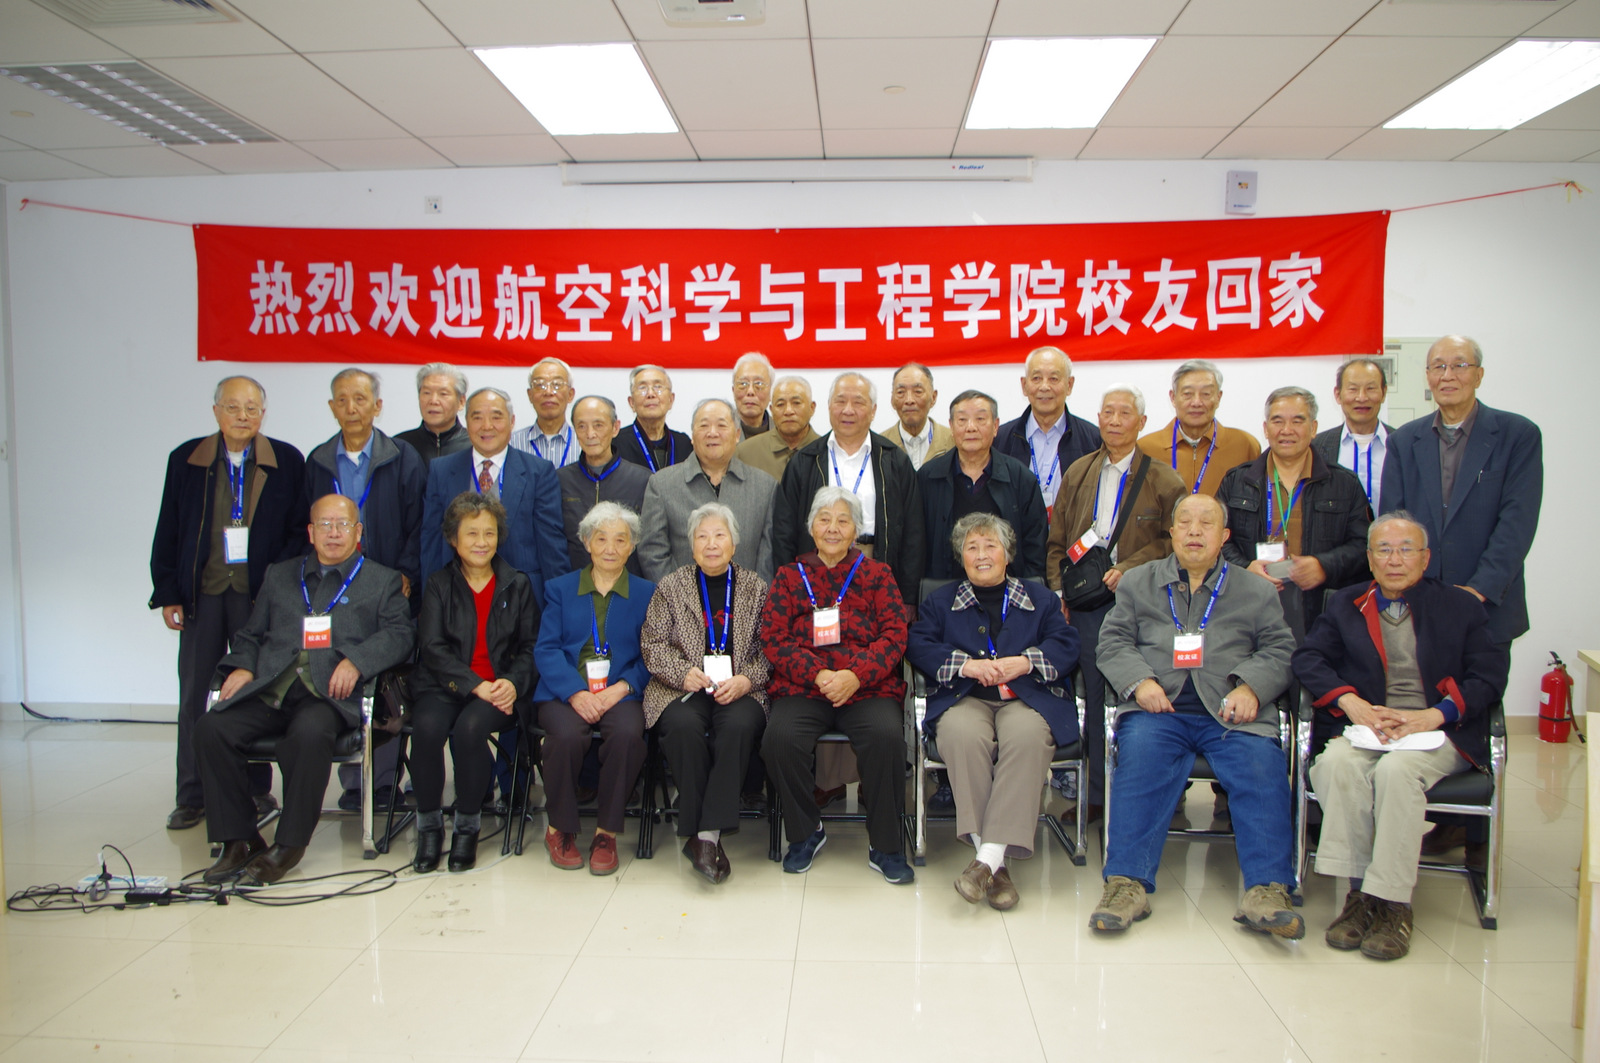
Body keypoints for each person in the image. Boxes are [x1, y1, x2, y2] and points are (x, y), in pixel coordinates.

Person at [1292, 512, 1509, 959]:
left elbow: (1489, 676)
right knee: (1335, 765)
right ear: (1370, 559)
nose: (1395, 560)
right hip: (1370, 725)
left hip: (1436, 731)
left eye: (1406, 549)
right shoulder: (1346, 602)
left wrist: (1435, 714)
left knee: (1396, 773)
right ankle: (1359, 895)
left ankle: (1393, 903)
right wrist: (1351, 702)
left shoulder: (1460, 606)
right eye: (1384, 550)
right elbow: (1309, 658)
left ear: (1425, 558)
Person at [1090, 494, 1300, 938]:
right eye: (1184, 522)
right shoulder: (1138, 582)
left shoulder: (1256, 590)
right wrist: (1140, 682)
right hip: (1159, 709)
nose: (1194, 531)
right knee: (1139, 759)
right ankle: (1125, 885)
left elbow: (1280, 649)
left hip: (1231, 711)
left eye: (1207, 523)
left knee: (1261, 766)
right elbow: (1112, 642)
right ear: (1171, 533)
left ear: (1224, 536)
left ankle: (1267, 890)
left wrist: (1251, 687)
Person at [194, 494, 413, 886]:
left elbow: (400, 635)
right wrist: (243, 665)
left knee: (309, 734)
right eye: (325, 525)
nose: (334, 533)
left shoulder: (381, 580)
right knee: (212, 728)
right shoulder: (281, 575)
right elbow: (251, 633)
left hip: (327, 696)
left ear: (358, 532)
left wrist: (357, 660)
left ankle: (289, 845)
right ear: (310, 532)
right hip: (272, 687)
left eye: (343, 524)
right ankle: (238, 840)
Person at [1380, 335, 1542, 857]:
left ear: (1479, 374)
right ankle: (1431, 815)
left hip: (1487, 605)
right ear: (1427, 377)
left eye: (1459, 365)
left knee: (1475, 705)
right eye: (1437, 367)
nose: (1447, 375)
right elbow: (1394, 519)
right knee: (1424, 703)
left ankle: (1474, 833)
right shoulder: (1407, 439)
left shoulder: (1516, 435)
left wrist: (1476, 593)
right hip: (1419, 604)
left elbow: (1516, 524)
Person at [150, 376, 306, 831]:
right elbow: (169, 526)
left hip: (258, 596)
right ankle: (192, 794)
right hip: (203, 594)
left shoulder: (286, 460)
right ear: (216, 411)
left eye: (251, 408)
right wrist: (168, 590)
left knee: (255, 690)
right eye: (233, 407)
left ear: (263, 414)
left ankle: (255, 790)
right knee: (195, 693)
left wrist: (279, 586)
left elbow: (297, 531)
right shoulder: (187, 459)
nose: (243, 416)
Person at [906, 513, 1080, 911]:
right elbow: (918, 644)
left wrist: (1028, 661)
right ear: (961, 557)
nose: (982, 555)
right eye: (972, 547)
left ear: (1008, 554)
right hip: (965, 695)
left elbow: (1067, 644)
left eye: (991, 546)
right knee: (962, 735)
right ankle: (996, 867)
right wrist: (965, 665)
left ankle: (985, 861)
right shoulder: (940, 601)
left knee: (1027, 737)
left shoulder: (1041, 599)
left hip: (1026, 697)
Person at [759, 487, 914, 884]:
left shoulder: (877, 575)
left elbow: (895, 635)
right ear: (811, 526)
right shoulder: (789, 576)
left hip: (866, 687)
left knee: (886, 737)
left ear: (856, 530)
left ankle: (886, 844)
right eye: (824, 519)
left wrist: (855, 675)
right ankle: (805, 831)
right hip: (805, 686)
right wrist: (817, 674)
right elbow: (773, 638)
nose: (832, 528)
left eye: (843, 521)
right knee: (779, 739)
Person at [1045, 385, 1186, 817]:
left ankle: (1153, 793)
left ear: (1141, 422)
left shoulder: (1164, 479)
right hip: (1086, 603)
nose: (1114, 421)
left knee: (1143, 692)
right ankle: (1096, 796)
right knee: (1091, 694)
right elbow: (1057, 539)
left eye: (1125, 413)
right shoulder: (1079, 472)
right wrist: (1058, 591)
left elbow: (1176, 542)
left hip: (1145, 603)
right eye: (1108, 412)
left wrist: (1131, 566)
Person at [640, 503, 772, 883]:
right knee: (683, 727)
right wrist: (684, 673)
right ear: (691, 545)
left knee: (738, 727)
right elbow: (652, 644)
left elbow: (771, 648)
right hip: (683, 687)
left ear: (734, 543)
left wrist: (746, 680)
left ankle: (704, 835)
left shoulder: (755, 588)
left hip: (739, 687)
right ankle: (708, 836)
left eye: (719, 535)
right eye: (702, 536)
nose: (711, 544)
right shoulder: (671, 586)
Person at [410, 491, 541, 874]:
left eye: (489, 533)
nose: (482, 542)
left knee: (470, 729)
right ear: (454, 539)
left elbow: (532, 647)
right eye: (472, 533)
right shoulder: (439, 584)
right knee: (426, 729)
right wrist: (473, 684)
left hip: (499, 690)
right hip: (445, 685)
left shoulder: (517, 584)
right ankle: (429, 826)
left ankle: (467, 827)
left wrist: (512, 683)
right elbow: (432, 648)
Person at [533, 502, 653, 875]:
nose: (610, 548)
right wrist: (576, 692)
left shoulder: (648, 593)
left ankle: (606, 833)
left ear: (632, 546)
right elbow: (546, 649)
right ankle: (560, 828)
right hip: (566, 690)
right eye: (601, 539)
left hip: (621, 691)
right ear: (587, 543)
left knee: (629, 734)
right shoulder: (560, 589)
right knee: (566, 736)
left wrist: (621, 688)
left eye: (620, 540)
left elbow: (652, 654)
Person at [1218, 386, 1371, 640]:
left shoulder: (1344, 483)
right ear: (1266, 429)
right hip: (1251, 605)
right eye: (1278, 421)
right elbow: (1217, 540)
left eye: (1297, 421)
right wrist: (1244, 568)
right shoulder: (1237, 481)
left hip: (1319, 608)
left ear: (1313, 428)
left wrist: (1324, 566)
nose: (1286, 430)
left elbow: (1363, 544)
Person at [772, 371, 925, 607]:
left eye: (858, 402)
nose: (848, 410)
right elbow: (784, 532)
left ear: (873, 410)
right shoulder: (805, 461)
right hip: (817, 570)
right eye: (840, 401)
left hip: (876, 566)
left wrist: (909, 598)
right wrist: (788, 591)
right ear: (828, 407)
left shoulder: (894, 460)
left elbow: (913, 534)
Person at [421, 387, 569, 604]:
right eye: (477, 417)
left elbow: (551, 545)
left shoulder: (538, 471)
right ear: (466, 422)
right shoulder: (441, 470)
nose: (487, 426)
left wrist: (558, 605)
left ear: (512, 421)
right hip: (456, 599)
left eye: (496, 417)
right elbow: (431, 542)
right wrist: (429, 602)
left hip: (521, 599)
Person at [637, 398, 778, 582]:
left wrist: (754, 595)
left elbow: (768, 556)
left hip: (749, 597)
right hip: (681, 597)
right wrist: (677, 594)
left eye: (721, 425)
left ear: (737, 435)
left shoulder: (765, 486)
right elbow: (652, 552)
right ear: (692, 436)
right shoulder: (662, 484)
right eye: (704, 426)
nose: (712, 433)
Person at [918, 389, 1046, 580]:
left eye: (980, 419)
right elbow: (916, 543)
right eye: (962, 420)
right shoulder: (928, 477)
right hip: (943, 589)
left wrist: (1028, 590)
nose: (971, 427)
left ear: (995, 426)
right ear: (951, 427)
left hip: (1007, 589)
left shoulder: (1020, 478)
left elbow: (1036, 546)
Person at [996, 346, 1101, 520]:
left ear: (1069, 385)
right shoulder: (1000, 439)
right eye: (1036, 378)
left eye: (1054, 378)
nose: (1044, 387)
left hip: (1071, 536)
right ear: (1024, 385)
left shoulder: (1093, 440)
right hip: (1016, 535)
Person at [1137, 359, 1260, 498]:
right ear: (1173, 397)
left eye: (1206, 394)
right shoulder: (1145, 449)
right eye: (1187, 394)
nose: (1196, 402)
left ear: (1218, 398)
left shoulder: (1244, 446)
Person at [557, 395, 651, 573]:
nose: (590, 434)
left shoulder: (643, 480)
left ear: (615, 428)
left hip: (628, 583)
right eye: (581, 426)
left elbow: (649, 543)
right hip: (576, 581)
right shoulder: (560, 480)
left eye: (598, 425)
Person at [1312, 358, 1393, 514]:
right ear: (1338, 394)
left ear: (1383, 393)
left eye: (1370, 388)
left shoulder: (1402, 444)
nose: (1362, 397)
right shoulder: (1317, 447)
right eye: (1353, 389)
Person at [734, 374, 822, 481]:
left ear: (812, 408)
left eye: (796, 403)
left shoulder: (827, 451)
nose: (788, 411)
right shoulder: (745, 453)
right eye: (780, 404)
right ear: (771, 410)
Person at [614, 364, 691, 473]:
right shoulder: (615, 444)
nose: (650, 394)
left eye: (658, 387)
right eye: (642, 388)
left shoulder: (683, 444)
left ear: (671, 400)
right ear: (632, 403)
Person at [396, 362, 471, 470]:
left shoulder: (474, 445)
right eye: (427, 393)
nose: (433, 401)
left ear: (461, 401)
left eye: (443, 394)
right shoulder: (399, 446)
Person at [880, 362, 954, 470]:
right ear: (892, 400)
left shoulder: (953, 441)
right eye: (901, 392)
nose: (909, 400)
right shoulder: (880, 445)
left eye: (918, 391)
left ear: (933, 397)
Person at [510, 357, 578, 469]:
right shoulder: (511, 444)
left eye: (557, 384)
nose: (548, 392)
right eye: (540, 385)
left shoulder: (584, 443)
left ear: (570, 395)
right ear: (530, 395)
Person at [732, 352, 775, 438]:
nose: (750, 391)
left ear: (771, 393)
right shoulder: (720, 432)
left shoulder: (783, 432)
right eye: (743, 384)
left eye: (759, 384)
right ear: (733, 391)